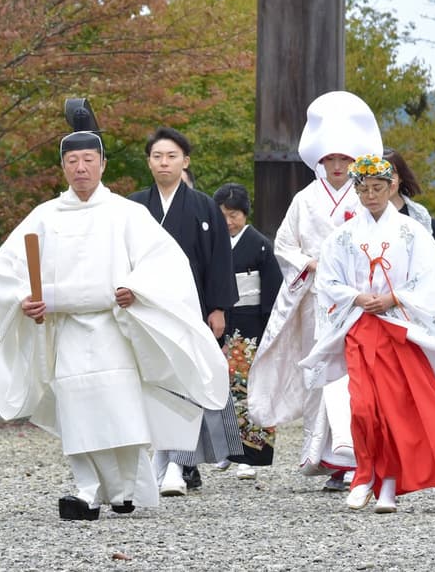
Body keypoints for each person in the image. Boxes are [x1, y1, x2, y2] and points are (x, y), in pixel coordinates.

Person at [0, 99, 229, 520]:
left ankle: (125, 489)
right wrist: (25, 297)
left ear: (102, 164)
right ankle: (87, 490)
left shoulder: (125, 213)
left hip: (111, 325)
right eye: (72, 161)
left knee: (120, 410)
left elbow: (165, 261)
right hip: (67, 327)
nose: (80, 168)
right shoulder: (45, 216)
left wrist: (136, 288)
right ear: (63, 167)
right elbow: (4, 266)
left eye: (88, 160)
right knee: (77, 411)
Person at [299, 154, 435, 514]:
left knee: (393, 411)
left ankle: (387, 483)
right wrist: (357, 297)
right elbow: (328, 280)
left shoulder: (413, 232)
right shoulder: (342, 236)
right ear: (356, 191)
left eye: (377, 188)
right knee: (362, 408)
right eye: (364, 188)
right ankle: (363, 475)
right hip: (359, 327)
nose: (370, 195)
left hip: (398, 329)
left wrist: (394, 297)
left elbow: (431, 277)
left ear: (392, 187)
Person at [247, 90, 382, 491]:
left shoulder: (365, 198)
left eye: (344, 159)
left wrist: (349, 272)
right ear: (320, 161)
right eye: (331, 160)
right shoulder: (304, 200)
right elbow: (284, 244)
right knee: (321, 376)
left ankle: (354, 457)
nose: (338, 167)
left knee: (354, 375)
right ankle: (326, 458)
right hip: (314, 301)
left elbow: (377, 244)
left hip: (353, 300)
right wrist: (309, 264)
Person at [129, 125, 240, 495]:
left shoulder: (204, 206)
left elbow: (218, 260)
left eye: (172, 156)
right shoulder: (133, 207)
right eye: (158, 156)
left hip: (190, 308)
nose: (164, 162)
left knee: (186, 383)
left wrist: (219, 307)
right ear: (148, 162)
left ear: (185, 161)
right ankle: (157, 461)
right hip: (145, 310)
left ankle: (178, 463)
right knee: (151, 383)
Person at [211, 182, 283, 480]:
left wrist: (269, 329)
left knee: (249, 388)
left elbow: (273, 290)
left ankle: (251, 455)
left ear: (245, 214)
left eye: (235, 215)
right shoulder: (212, 243)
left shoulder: (260, 244)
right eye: (223, 215)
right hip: (218, 322)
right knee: (220, 388)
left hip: (251, 323)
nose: (229, 221)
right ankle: (227, 449)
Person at [383, 147, 435, 262]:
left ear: (400, 177)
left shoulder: (427, 225)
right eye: (379, 176)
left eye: (391, 174)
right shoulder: (359, 221)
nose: (385, 182)